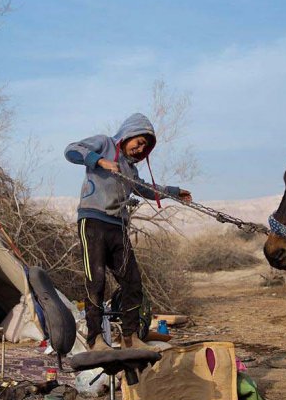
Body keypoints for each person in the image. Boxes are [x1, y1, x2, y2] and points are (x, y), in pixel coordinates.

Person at [65, 113, 192, 351]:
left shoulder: (130, 170)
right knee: (97, 280)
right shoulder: (104, 144)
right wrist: (100, 161)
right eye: (139, 142)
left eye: (146, 146)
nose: (140, 148)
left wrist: (175, 192)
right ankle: (95, 340)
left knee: (132, 282)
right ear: (128, 134)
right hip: (93, 222)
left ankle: (130, 338)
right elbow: (72, 150)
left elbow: (144, 189)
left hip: (118, 227)